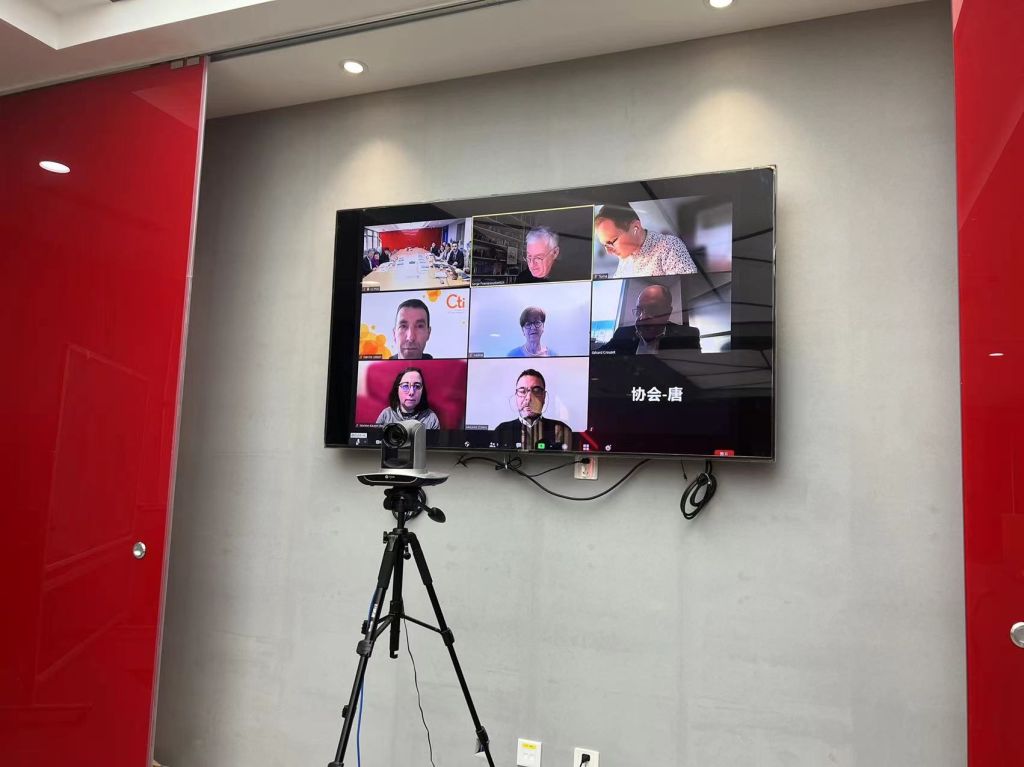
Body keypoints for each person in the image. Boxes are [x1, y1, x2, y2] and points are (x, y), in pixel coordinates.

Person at [594, 205, 697, 278]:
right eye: (605, 245)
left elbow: (686, 289)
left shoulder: (670, 246)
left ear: (636, 227)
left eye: (612, 242)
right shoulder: (625, 257)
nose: (609, 251)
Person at [599, 284, 700, 355]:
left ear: (668, 312)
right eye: (639, 310)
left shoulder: (688, 336)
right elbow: (598, 355)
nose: (642, 317)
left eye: (652, 309)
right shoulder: (622, 334)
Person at [494, 369, 572, 450]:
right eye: (522, 391)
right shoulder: (502, 430)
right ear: (516, 395)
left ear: (544, 396)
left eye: (536, 391)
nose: (529, 398)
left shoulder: (561, 431)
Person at [375, 367, 441, 429]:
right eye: (405, 386)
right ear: (397, 390)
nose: (411, 392)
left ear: (422, 391)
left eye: (417, 386)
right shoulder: (386, 415)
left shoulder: (431, 418)